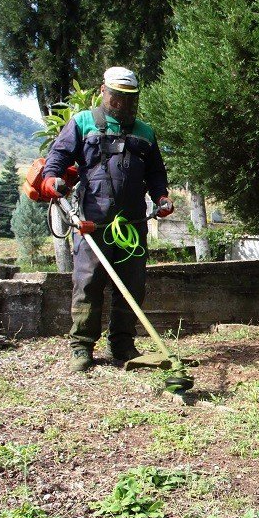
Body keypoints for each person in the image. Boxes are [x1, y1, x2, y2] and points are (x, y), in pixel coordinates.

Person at [40, 67, 174, 372]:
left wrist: (162, 197)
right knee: (88, 282)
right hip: (92, 221)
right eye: (117, 98)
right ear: (103, 92)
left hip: (132, 225)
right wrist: (51, 178)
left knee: (132, 284)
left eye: (129, 100)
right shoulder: (83, 122)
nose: (122, 105)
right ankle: (82, 347)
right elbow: (57, 158)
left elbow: (156, 174)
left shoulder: (145, 132)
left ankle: (122, 345)